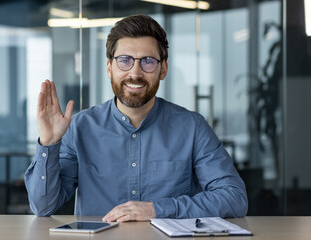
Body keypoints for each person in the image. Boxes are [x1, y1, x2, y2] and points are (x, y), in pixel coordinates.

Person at [25, 14, 248, 222]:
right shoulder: (80, 128)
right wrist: (49, 143)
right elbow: (43, 207)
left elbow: (234, 198)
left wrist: (158, 209)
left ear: (163, 69)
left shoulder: (192, 127)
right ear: (109, 67)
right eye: (124, 60)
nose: (135, 73)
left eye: (148, 61)